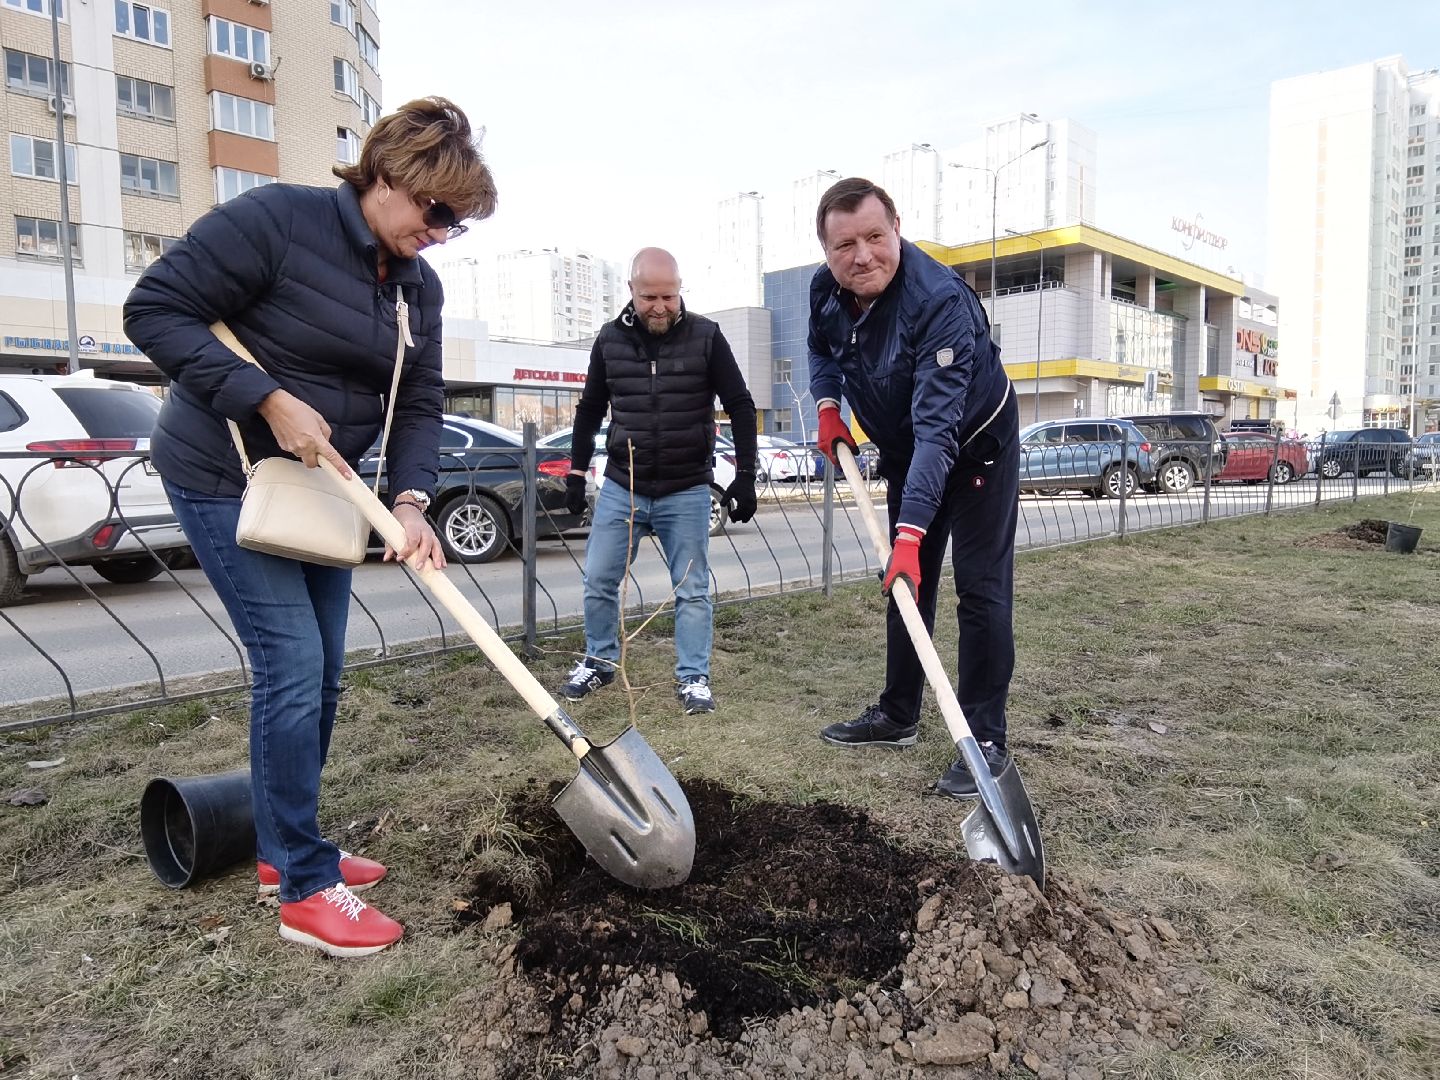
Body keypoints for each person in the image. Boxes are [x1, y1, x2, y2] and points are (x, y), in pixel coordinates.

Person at [124, 98, 496, 957]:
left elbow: (422, 406)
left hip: (325, 493)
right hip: (225, 476)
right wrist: (265, 398)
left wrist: (410, 502)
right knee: (289, 666)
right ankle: (302, 885)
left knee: (324, 675)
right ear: (387, 175)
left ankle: (279, 844)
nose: (440, 233)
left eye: (457, 224)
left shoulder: (417, 288)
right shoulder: (277, 222)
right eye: (436, 212)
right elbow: (155, 310)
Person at [806, 178, 1020, 799]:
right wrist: (827, 405)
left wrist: (909, 532)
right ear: (826, 249)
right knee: (905, 585)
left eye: (875, 237)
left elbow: (939, 432)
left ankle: (984, 737)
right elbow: (822, 351)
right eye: (844, 244)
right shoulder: (828, 289)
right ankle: (898, 714)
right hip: (907, 448)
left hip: (976, 446)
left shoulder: (938, 301)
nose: (862, 256)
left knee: (980, 589)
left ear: (896, 226)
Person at [560, 248, 758, 714]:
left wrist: (745, 475)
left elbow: (742, 405)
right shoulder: (609, 340)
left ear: (680, 289)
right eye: (650, 296)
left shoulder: (706, 337)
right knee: (599, 580)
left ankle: (693, 678)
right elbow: (590, 410)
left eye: (669, 295)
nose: (661, 306)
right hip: (622, 486)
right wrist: (574, 470)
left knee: (691, 589)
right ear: (631, 290)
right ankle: (599, 661)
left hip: (686, 488)